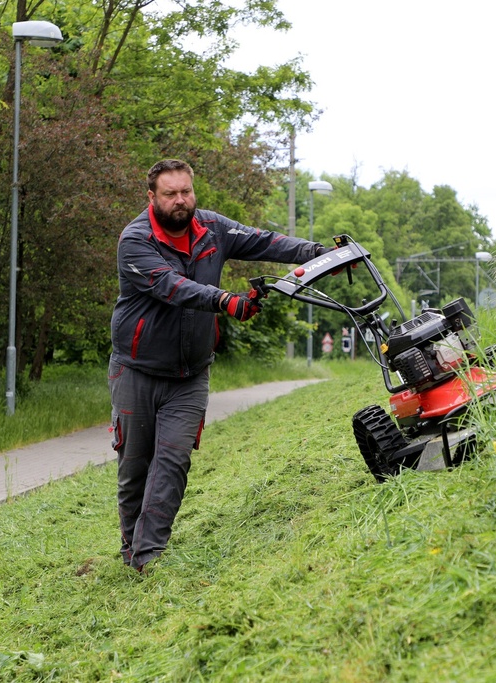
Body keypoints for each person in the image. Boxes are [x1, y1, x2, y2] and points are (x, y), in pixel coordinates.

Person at [108, 159, 332, 573]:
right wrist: (225, 300)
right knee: (135, 466)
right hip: (135, 370)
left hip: (190, 373)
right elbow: (171, 287)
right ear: (152, 198)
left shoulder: (212, 228)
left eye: (186, 192)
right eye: (170, 194)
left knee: (173, 461)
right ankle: (129, 549)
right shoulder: (135, 241)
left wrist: (319, 253)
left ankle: (147, 558)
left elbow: (264, 241)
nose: (181, 201)